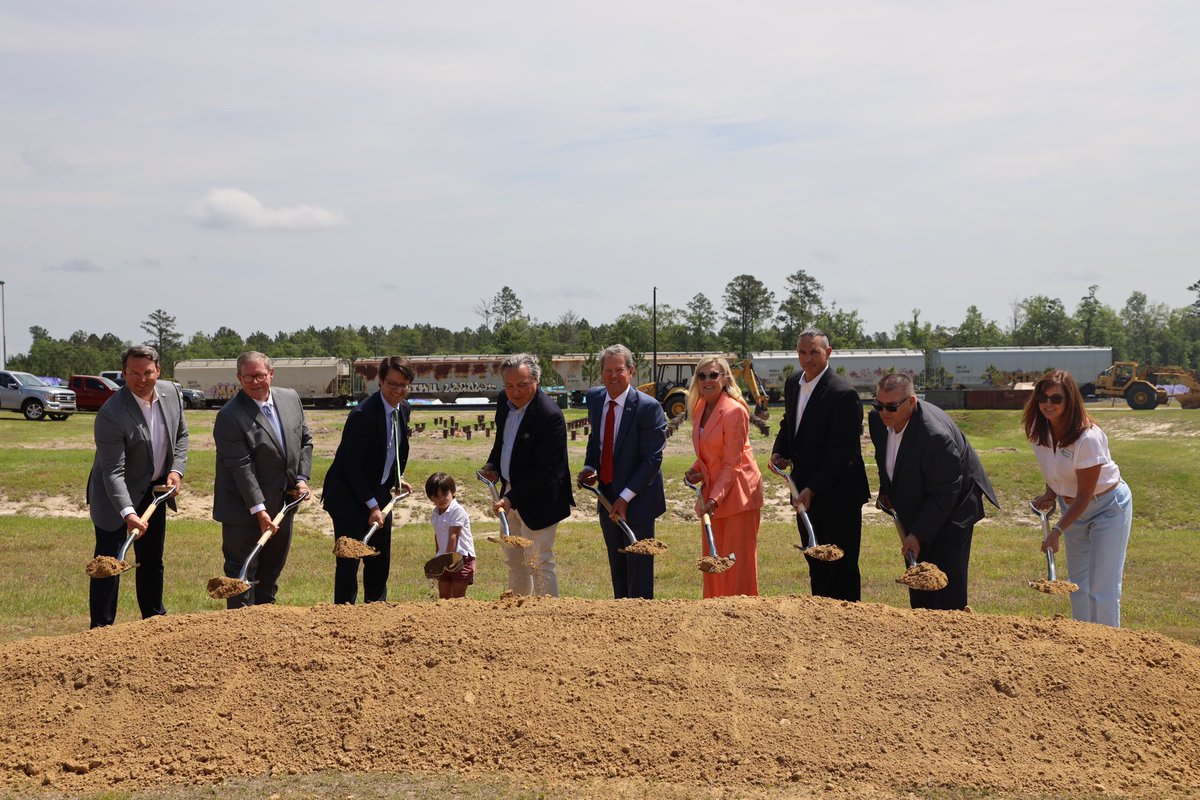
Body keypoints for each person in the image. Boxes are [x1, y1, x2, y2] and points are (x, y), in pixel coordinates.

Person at [868, 372, 998, 611]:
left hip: (954, 510)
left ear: (912, 402)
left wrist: (917, 534)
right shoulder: (879, 420)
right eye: (878, 404)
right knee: (918, 580)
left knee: (946, 586)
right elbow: (885, 458)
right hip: (922, 500)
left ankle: (953, 638)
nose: (884, 412)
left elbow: (945, 493)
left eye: (891, 407)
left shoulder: (935, 436)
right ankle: (922, 629)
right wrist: (887, 490)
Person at [86, 345, 188, 628]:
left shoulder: (171, 394)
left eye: (148, 372)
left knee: (152, 559)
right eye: (134, 373)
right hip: (115, 499)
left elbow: (181, 435)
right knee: (109, 564)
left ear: (158, 371)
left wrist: (176, 471)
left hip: (154, 493)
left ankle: (153, 621)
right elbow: (113, 472)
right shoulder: (111, 413)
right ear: (124, 373)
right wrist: (128, 513)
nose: (141, 379)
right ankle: (102, 628)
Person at [1023, 370, 1132, 627]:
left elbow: (1085, 494)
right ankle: (1082, 643)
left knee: (1101, 588)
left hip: (1108, 507)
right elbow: (1055, 470)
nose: (1048, 403)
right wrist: (1051, 492)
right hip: (1071, 508)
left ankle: (1108, 648)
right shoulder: (1040, 432)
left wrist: (1057, 531)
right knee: (1078, 585)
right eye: (1043, 396)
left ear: (1070, 400)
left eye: (1056, 399)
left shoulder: (1088, 438)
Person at [769, 329, 870, 601]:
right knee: (816, 562)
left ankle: (849, 625)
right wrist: (780, 452)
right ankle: (820, 624)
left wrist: (812, 488)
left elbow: (843, 453)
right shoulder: (793, 383)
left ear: (829, 352)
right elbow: (789, 424)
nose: (807, 358)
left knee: (841, 567)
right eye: (802, 352)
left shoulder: (843, 394)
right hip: (805, 493)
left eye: (814, 351)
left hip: (839, 495)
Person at [212, 351, 313, 608]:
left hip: (282, 507)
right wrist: (259, 510)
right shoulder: (229, 416)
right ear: (239, 378)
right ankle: (239, 635)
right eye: (248, 377)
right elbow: (241, 467)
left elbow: (304, 441)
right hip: (243, 512)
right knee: (241, 577)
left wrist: (301, 479)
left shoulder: (290, 398)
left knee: (270, 575)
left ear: (271, 374)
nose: (255, 382)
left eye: (260, 375)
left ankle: (265, 634)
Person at [322, 356, 415, 604]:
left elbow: (392, 448)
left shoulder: (403, 408)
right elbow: (352, 467)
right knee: (349, 563)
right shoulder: (362, 415)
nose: (398, 390)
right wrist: (372, 506)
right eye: (392, 384)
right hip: (349, 497)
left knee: (378, 560)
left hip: (380, 492)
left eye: (403, 385)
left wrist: (396, 478)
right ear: (381, 382)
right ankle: (343, 618)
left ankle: (375, 613)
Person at [480, 353, 574, 596]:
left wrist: (512, 499)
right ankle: (518, 613)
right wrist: (493, 465)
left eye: (522, 385)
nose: (515, 392)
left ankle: (547, 619)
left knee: (539, 561)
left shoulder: (549, 415)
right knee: (513, 559)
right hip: (510, 493)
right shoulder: (504, 402)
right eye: (509, 386)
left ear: (535, 380)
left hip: (540, 498)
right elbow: (503, 441)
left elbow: (547, 470)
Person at [578, 344, 667, 600]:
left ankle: (643, 625)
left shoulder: (648, 407)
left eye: (619, 370)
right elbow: (597, 440)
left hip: (638, 500)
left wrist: (625, 497)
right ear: (601, 372)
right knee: (618, 569)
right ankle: (620, 622)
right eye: (608, 370)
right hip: (607, 497)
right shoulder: (595, 398)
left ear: (631, 371)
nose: (613, 376)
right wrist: (589, 467)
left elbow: (652, 459)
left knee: (638, 571)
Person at [683, 355, 764, 597]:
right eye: (702, 375)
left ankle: (741, 621)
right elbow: (711, 452)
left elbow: (732, 462)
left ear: (725, 378)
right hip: (713, 495)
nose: (707, 380)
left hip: (738, 496)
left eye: (713, 375)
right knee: (713, 562)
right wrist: (696, 469)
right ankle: (714, 617)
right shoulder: (699, 408)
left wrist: (714, 499)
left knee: (736, 565)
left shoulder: (734, 411)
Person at [426, 472, 476, 599]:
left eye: (444, 494)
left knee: (458, 598)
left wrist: (448, 559)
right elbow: (437, 535)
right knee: (444, 596)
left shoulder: (457, 511)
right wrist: (438, 557)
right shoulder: (435, 514)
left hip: (461, 558)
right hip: (444, 559)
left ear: (453, 492)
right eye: (436, 496)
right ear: (431, 498)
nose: (441, 499)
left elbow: (453, 536)